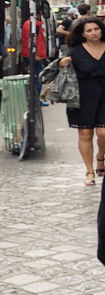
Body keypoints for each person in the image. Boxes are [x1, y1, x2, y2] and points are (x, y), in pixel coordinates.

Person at [62, 17, 105, 185]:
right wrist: (61, 64)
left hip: (104, 95)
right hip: (82, 96)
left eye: (96, 29)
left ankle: (100, 156)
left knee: (103, 132)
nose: (94, 33)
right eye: (89, 30)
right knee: (85, 133)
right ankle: (89, 170)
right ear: (83, 34)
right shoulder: (75, 52)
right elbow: (63, 72)